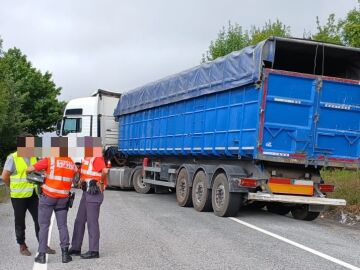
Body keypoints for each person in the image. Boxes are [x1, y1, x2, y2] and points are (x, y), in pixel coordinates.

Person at [1, 151, 55, 256]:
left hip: (33, 195)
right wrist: (11, 186)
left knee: (39, 219)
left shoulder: (34, 156)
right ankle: (22, 245)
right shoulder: (13, 157)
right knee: (20, 222)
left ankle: (43, 245)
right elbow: (4, 177)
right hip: (19, 196)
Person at [26, 156, 77, 264]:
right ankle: (65, 255)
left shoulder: (50, 160)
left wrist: (43, 173)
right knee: (62, 225)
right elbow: (76, 174)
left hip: (48, 197)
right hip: (63, 198)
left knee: (44, 226)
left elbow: (29, 169)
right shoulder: (71, 162)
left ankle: (42, 255)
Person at [68, 156, 108, 259]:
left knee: (92, 222)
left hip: (94, 193)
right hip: (86, 193)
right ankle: (76, 248)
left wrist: (101, 182)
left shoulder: (96, 158)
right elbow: (85, 173)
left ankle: (94, 251)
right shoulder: (86, 158)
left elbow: (105, 171)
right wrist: (81, 181)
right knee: (79, 221)